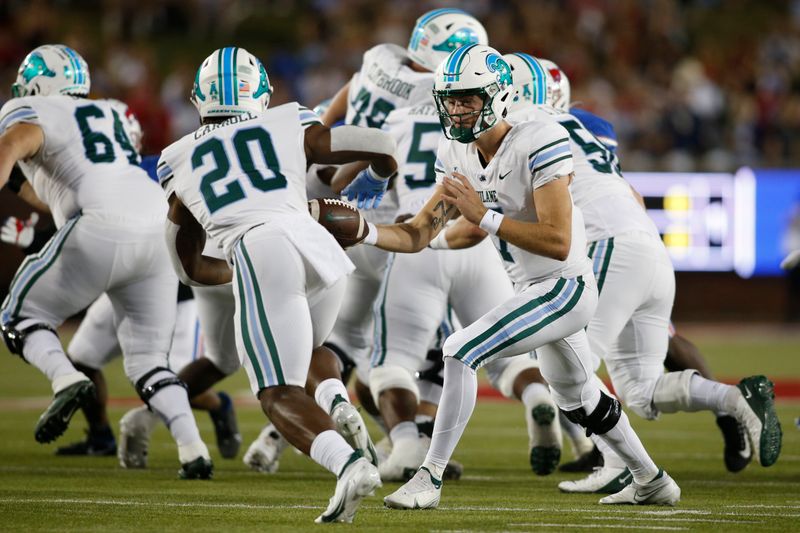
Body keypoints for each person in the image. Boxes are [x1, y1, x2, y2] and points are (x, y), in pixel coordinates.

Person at [352, 44, 681, 508]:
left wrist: (482, 217)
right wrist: (360, 230)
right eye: (450, 100)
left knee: (459, 349)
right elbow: (417, 233)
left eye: (468, 98)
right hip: (532, 288)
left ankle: (429, 477)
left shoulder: (540, 138)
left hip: (565, 286)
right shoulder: (455, 150)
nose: (457, 110)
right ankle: (652, 479)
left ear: (498, 96)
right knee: (578, 396)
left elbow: (558, 241)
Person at [504, 52, 783, 494]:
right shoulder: (577, 127)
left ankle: (618, 464)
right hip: (645, 246)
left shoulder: (521, 126)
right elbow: (627, 191)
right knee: (641, 390)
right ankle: (735, 400)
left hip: (608, 245)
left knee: (566, 364)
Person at [158, 46, 397, 523]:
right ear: (261, 94)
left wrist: (236, 272)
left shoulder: (176, 157)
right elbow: (383, 144)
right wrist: (376, 177)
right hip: (316, 239)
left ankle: (347, 465)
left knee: (276, 392)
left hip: (259, 247)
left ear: (198, 99)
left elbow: (186, 266)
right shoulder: (289, 118)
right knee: (310, 346)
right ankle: (334, 397)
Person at [0, 45, 212, 478]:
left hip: (99, 224)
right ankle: (193, 450)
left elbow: (19, 141)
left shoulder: (33, 107)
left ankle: (65, 379)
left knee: (19, 316)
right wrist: (19, 188)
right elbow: (63, 183)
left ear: (38, 83)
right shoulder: (114, 111)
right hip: (156, 228)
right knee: (150, 360)